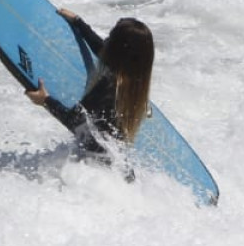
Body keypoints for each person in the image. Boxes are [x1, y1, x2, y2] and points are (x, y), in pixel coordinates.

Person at [22, 13, 154, 159]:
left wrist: (45, 100)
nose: (106, 40)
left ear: (116, 50)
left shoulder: (109, 87)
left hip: (91, 164)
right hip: (114, 164)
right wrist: (78, 22)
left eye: (110, 38)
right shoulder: (135, 83)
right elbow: (102, 49)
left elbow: (74, 120)